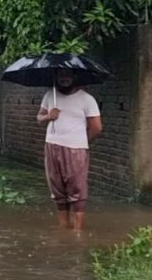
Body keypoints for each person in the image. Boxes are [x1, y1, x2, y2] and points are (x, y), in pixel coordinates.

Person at [36, 68, 103, 230]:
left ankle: (77, 230)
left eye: (67, 75)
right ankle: (63, 226)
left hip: (76, 149)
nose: (64, 78)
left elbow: (97, 128)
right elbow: (39, 117)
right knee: (57, 187)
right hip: (52, 145)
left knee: (77, 188)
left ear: (74, 76)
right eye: (60, 74)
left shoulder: (87, 99)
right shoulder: (49, 95)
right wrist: (48, 116)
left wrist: (82, 142)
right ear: (56, 76)